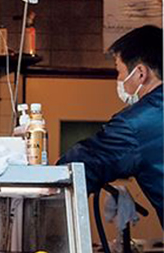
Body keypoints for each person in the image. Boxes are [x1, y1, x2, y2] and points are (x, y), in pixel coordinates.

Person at [59, 25, 162, 224]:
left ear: (141, 73)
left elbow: (84, 163)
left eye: (119, 72)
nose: (119, 80)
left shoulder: (136, 124)